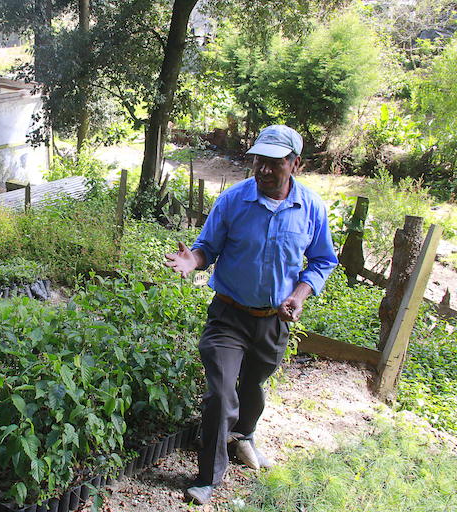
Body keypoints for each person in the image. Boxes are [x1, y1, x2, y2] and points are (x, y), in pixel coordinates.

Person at [164, 125, 338, 505]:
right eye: (259, 161)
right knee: (221, 392)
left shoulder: (311, 208)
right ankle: (208, 477)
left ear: (295, 164)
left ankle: (244, 436)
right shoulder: (233, 201)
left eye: (274, 163)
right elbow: (206, 247)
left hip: (275, 319)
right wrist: (191, 260)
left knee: (253, 389)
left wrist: (300, 292)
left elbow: (323, 260)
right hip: (229, 315)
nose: (263, 170)